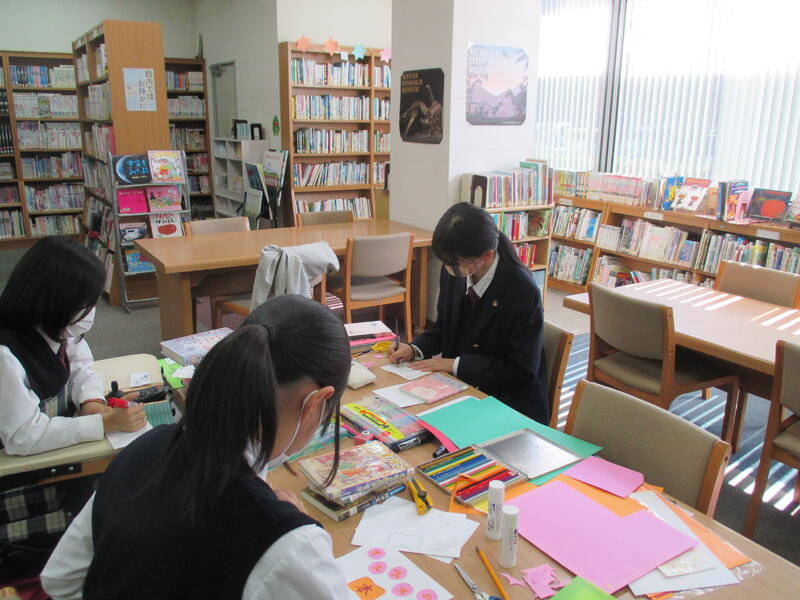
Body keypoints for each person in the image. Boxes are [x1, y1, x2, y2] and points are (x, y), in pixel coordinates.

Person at [41, 295, 354, 599]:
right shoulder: (286, 544)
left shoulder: (145, 447)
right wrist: (300, 536)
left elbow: (59, 579)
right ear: (315, 403)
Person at [389, 202, 549, 423]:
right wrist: (415, 348)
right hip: (462, 387)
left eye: (455, 264)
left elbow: (520, 371)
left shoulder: (521, 289)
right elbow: (445, 327)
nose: (448, 270)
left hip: (507, 402)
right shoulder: (456, 269)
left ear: (486, 256)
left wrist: (454, 364)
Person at [0, 236, 146, 456]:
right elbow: (23, 436)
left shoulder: (55, 326)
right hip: (27, 471)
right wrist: (103, 425)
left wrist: (91, 400)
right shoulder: (6, 356)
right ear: (57, 303)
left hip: (58, 437)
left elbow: (80, 364)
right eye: (87, 305)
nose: (91, 312)